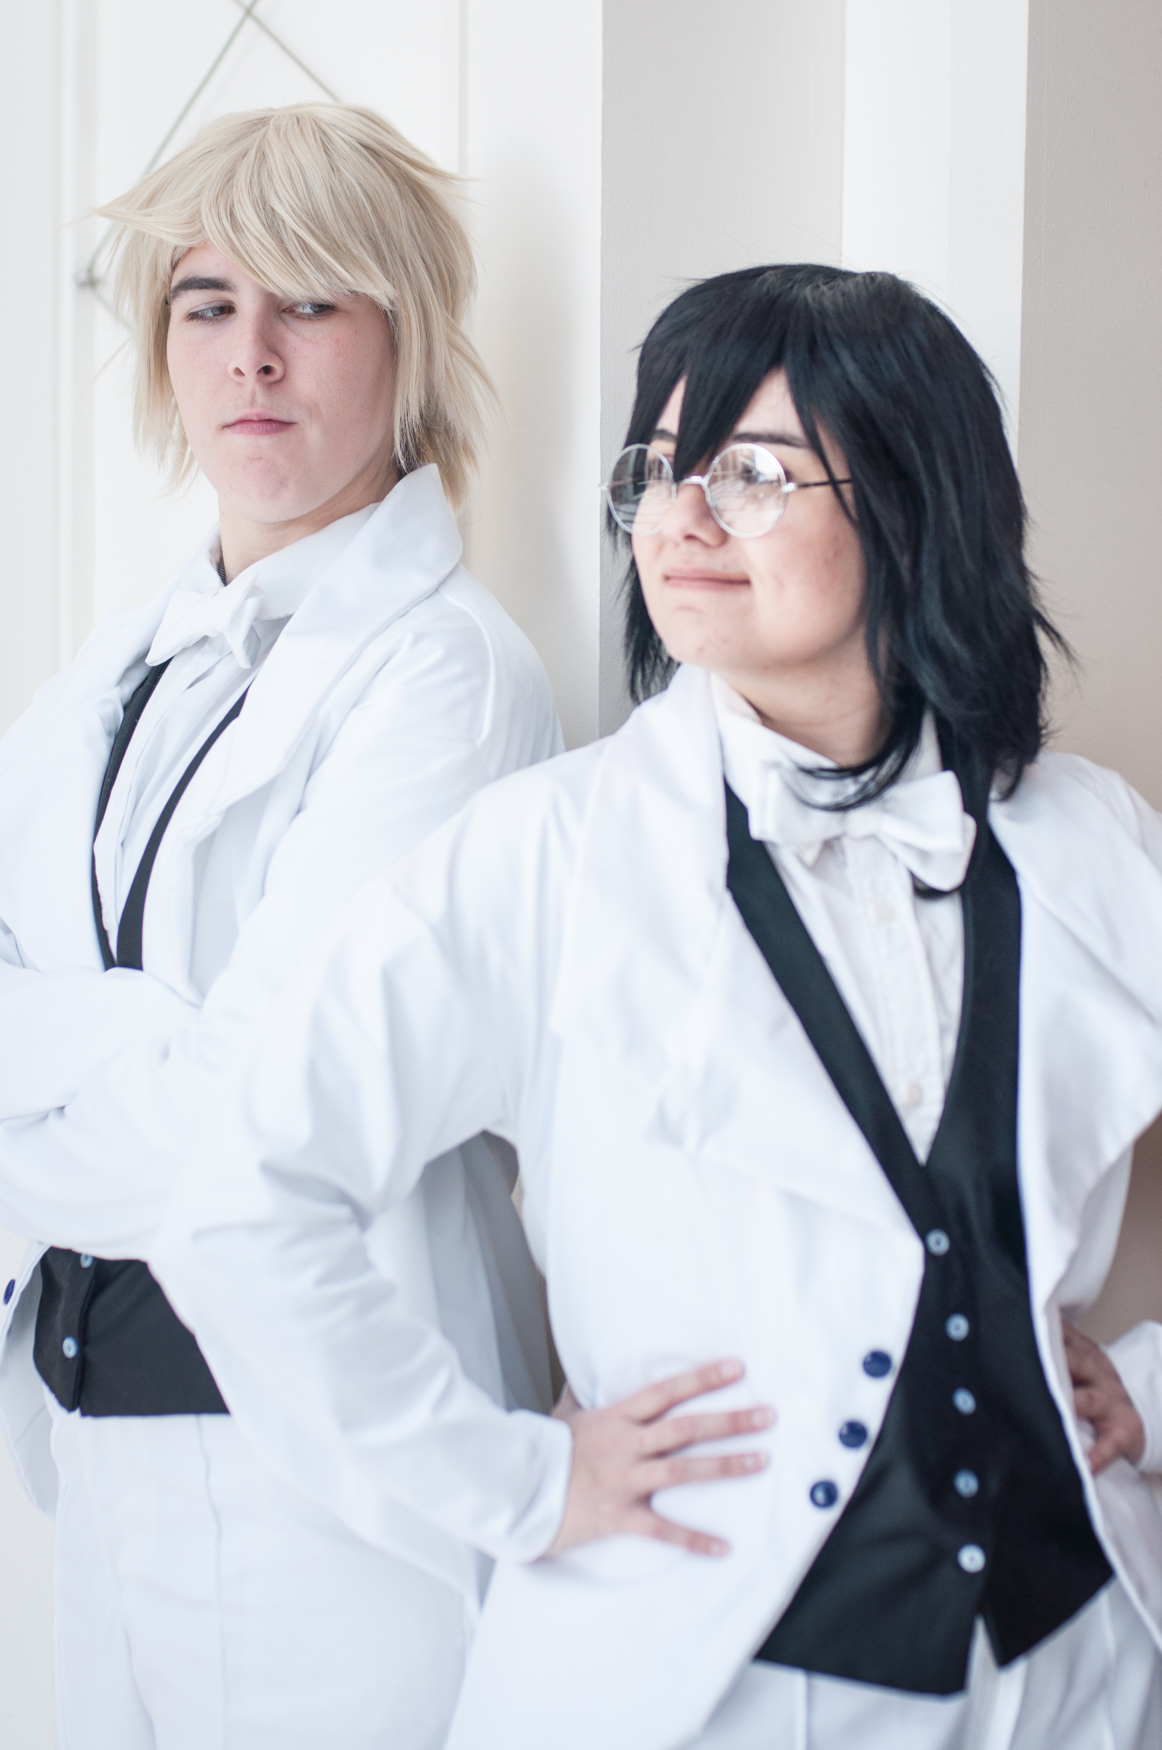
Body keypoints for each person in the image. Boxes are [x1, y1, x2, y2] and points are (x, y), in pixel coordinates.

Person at [153, 263, 1162, 1750]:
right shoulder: (546, 851)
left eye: (750, 474)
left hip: (1078, 1670)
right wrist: (514, 1481)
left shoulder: (1092, 837)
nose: (677, 521)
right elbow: (237, 1198)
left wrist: (1146, 1389)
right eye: (657, 470)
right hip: (717, 1686)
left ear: (911, 501)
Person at [0, 102, 566, 1750]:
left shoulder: (445, 671)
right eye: (208, 304)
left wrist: (65, 1079)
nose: (251, 353)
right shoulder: (109, 672)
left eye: (310, 302)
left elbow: (252, 1121)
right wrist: (148, 1044)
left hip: (325, 1484)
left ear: (406, 340)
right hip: (99, 1426)